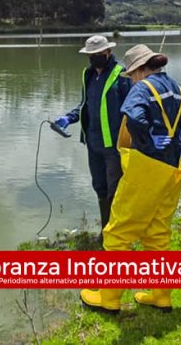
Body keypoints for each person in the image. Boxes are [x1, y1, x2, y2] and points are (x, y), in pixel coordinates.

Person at [80, 44, 181, 314]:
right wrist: (177, 140)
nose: (132, 78)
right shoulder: (180, 89)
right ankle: (160, 295)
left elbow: (134, 118)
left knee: (117, 232)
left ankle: (109, 298)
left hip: (146, 168)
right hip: (173, 169)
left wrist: (150, 142)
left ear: (138, 69)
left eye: (131, 74)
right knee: (157, 232)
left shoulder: (141, 87)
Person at [54, 35, 132, 238]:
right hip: (93, 143)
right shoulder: (88, 75)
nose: (95, 57)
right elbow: (85, 105)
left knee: (115, 189)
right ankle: (106, 229)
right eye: (91, 55)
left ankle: (117, 233)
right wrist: (69, 118)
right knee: (100, 186)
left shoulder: (121, 74)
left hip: (115, 145)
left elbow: (133, 108)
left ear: (108, 52)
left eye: (99, 54)